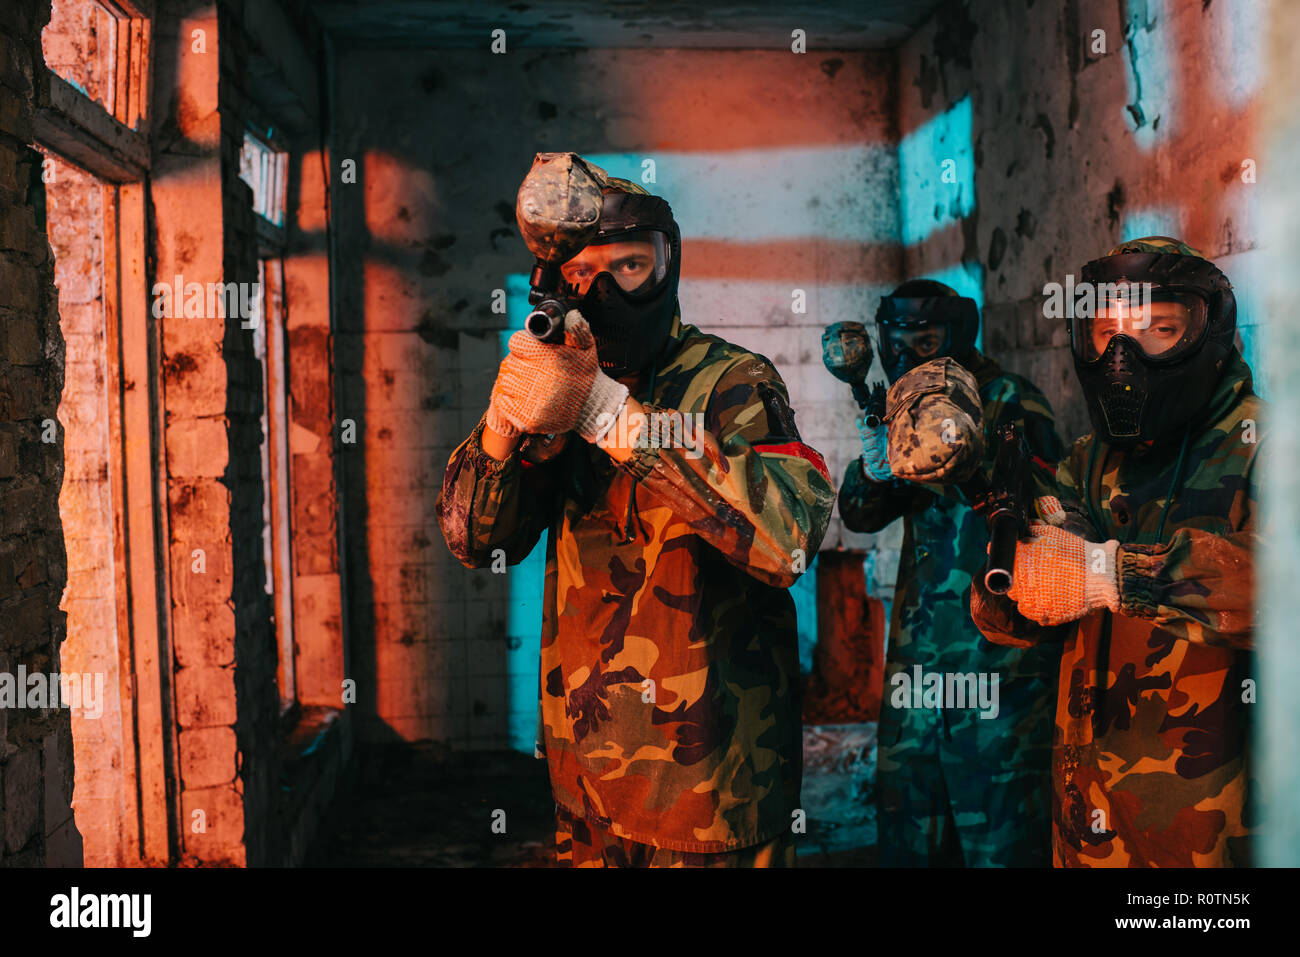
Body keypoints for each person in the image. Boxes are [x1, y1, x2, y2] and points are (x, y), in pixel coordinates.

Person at [436, 169, 835, 867]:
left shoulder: (733, 381)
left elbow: (786, 542)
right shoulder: (557, 379)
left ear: (668, 263)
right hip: (586, 786)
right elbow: (472, 538)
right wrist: (505, 423)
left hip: (710, 795)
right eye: (584, 270)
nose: (607, 289)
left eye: (631, 264)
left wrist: (611, 415)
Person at [970, 236, 1262, 867]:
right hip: (1089, 827)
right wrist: (1020, 573)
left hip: (1216, 834)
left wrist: (1113, 575)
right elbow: (1006, 618)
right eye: (1108, 332)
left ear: (1208, 331)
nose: (1124, 356)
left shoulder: (1264, 445)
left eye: (1158, 327)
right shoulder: (1088, 458)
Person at [838, 279, 1064, 866]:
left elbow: (1053, 521)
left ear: (957, 335)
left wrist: (969, 462)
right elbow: (860, 517)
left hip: (998, 667)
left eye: (928, 339)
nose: (913, 354)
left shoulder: (1011, 400)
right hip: (918, 666)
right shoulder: (900, 404)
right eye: (900, 339)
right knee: (910, 838)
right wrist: (876, 464)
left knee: (1002, 841)